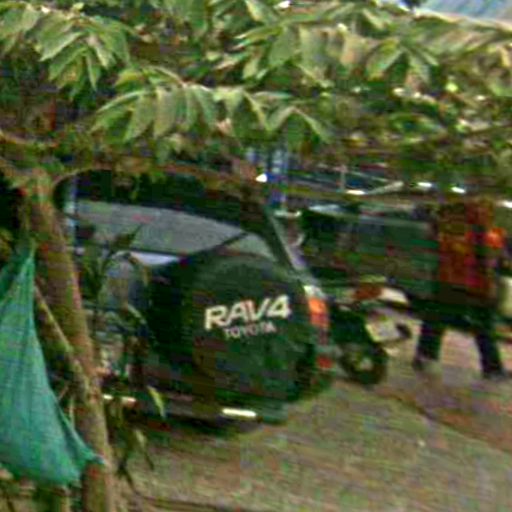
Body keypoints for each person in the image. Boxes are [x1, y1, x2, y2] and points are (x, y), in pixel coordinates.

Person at [412, 197, 510, 380]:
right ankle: (492, 368)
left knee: (437, 321)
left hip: (454, 283)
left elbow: (440, 245)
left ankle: (425, 356)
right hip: (468, 285)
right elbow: (486, 261)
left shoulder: (454, 228)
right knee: (481, 327)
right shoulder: (479, 232)